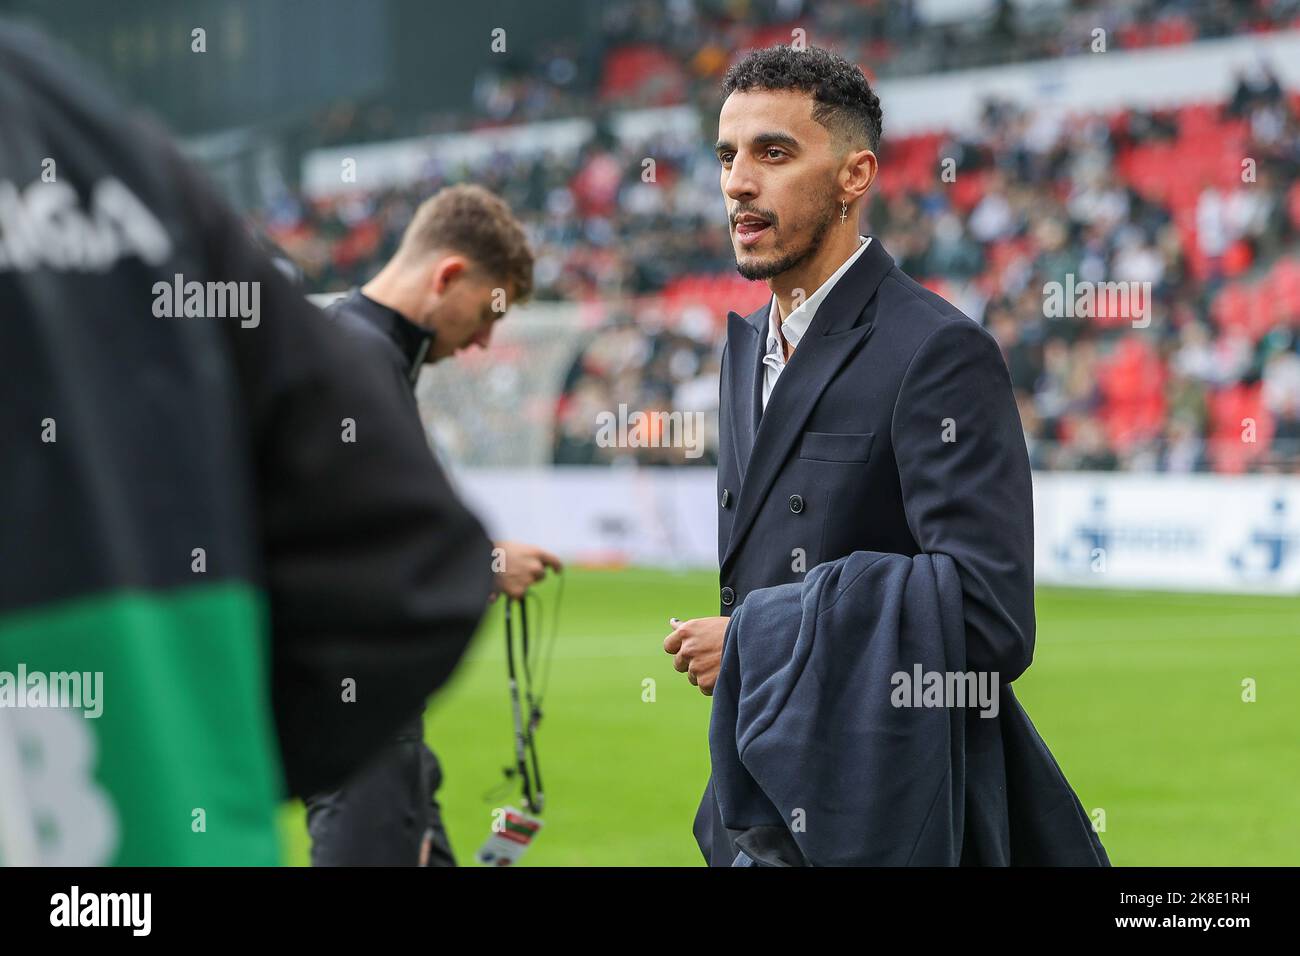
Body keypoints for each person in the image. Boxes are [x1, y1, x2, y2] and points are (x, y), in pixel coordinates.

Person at [0, 21, 493, 865]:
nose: (483, 342)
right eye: (487, 314)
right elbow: (417, 565)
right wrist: (189, 757)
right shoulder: (94, 136)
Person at [664, 45, 1040, 864]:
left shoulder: (939, 350)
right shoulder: (744, 348)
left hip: (889, 815)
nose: (736, 183)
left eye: (774, 152)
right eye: (727, 156)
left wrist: (758, 637)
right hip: (760, 801)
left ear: (854, 175)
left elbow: (991, 617)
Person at [305, 184, 561, 866]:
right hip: (355, 719)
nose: (483, 340)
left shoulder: (361, 350)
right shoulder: (358, 357)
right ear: (448, 276)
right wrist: (483, 564)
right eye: (486, 313)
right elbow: (335, 546)